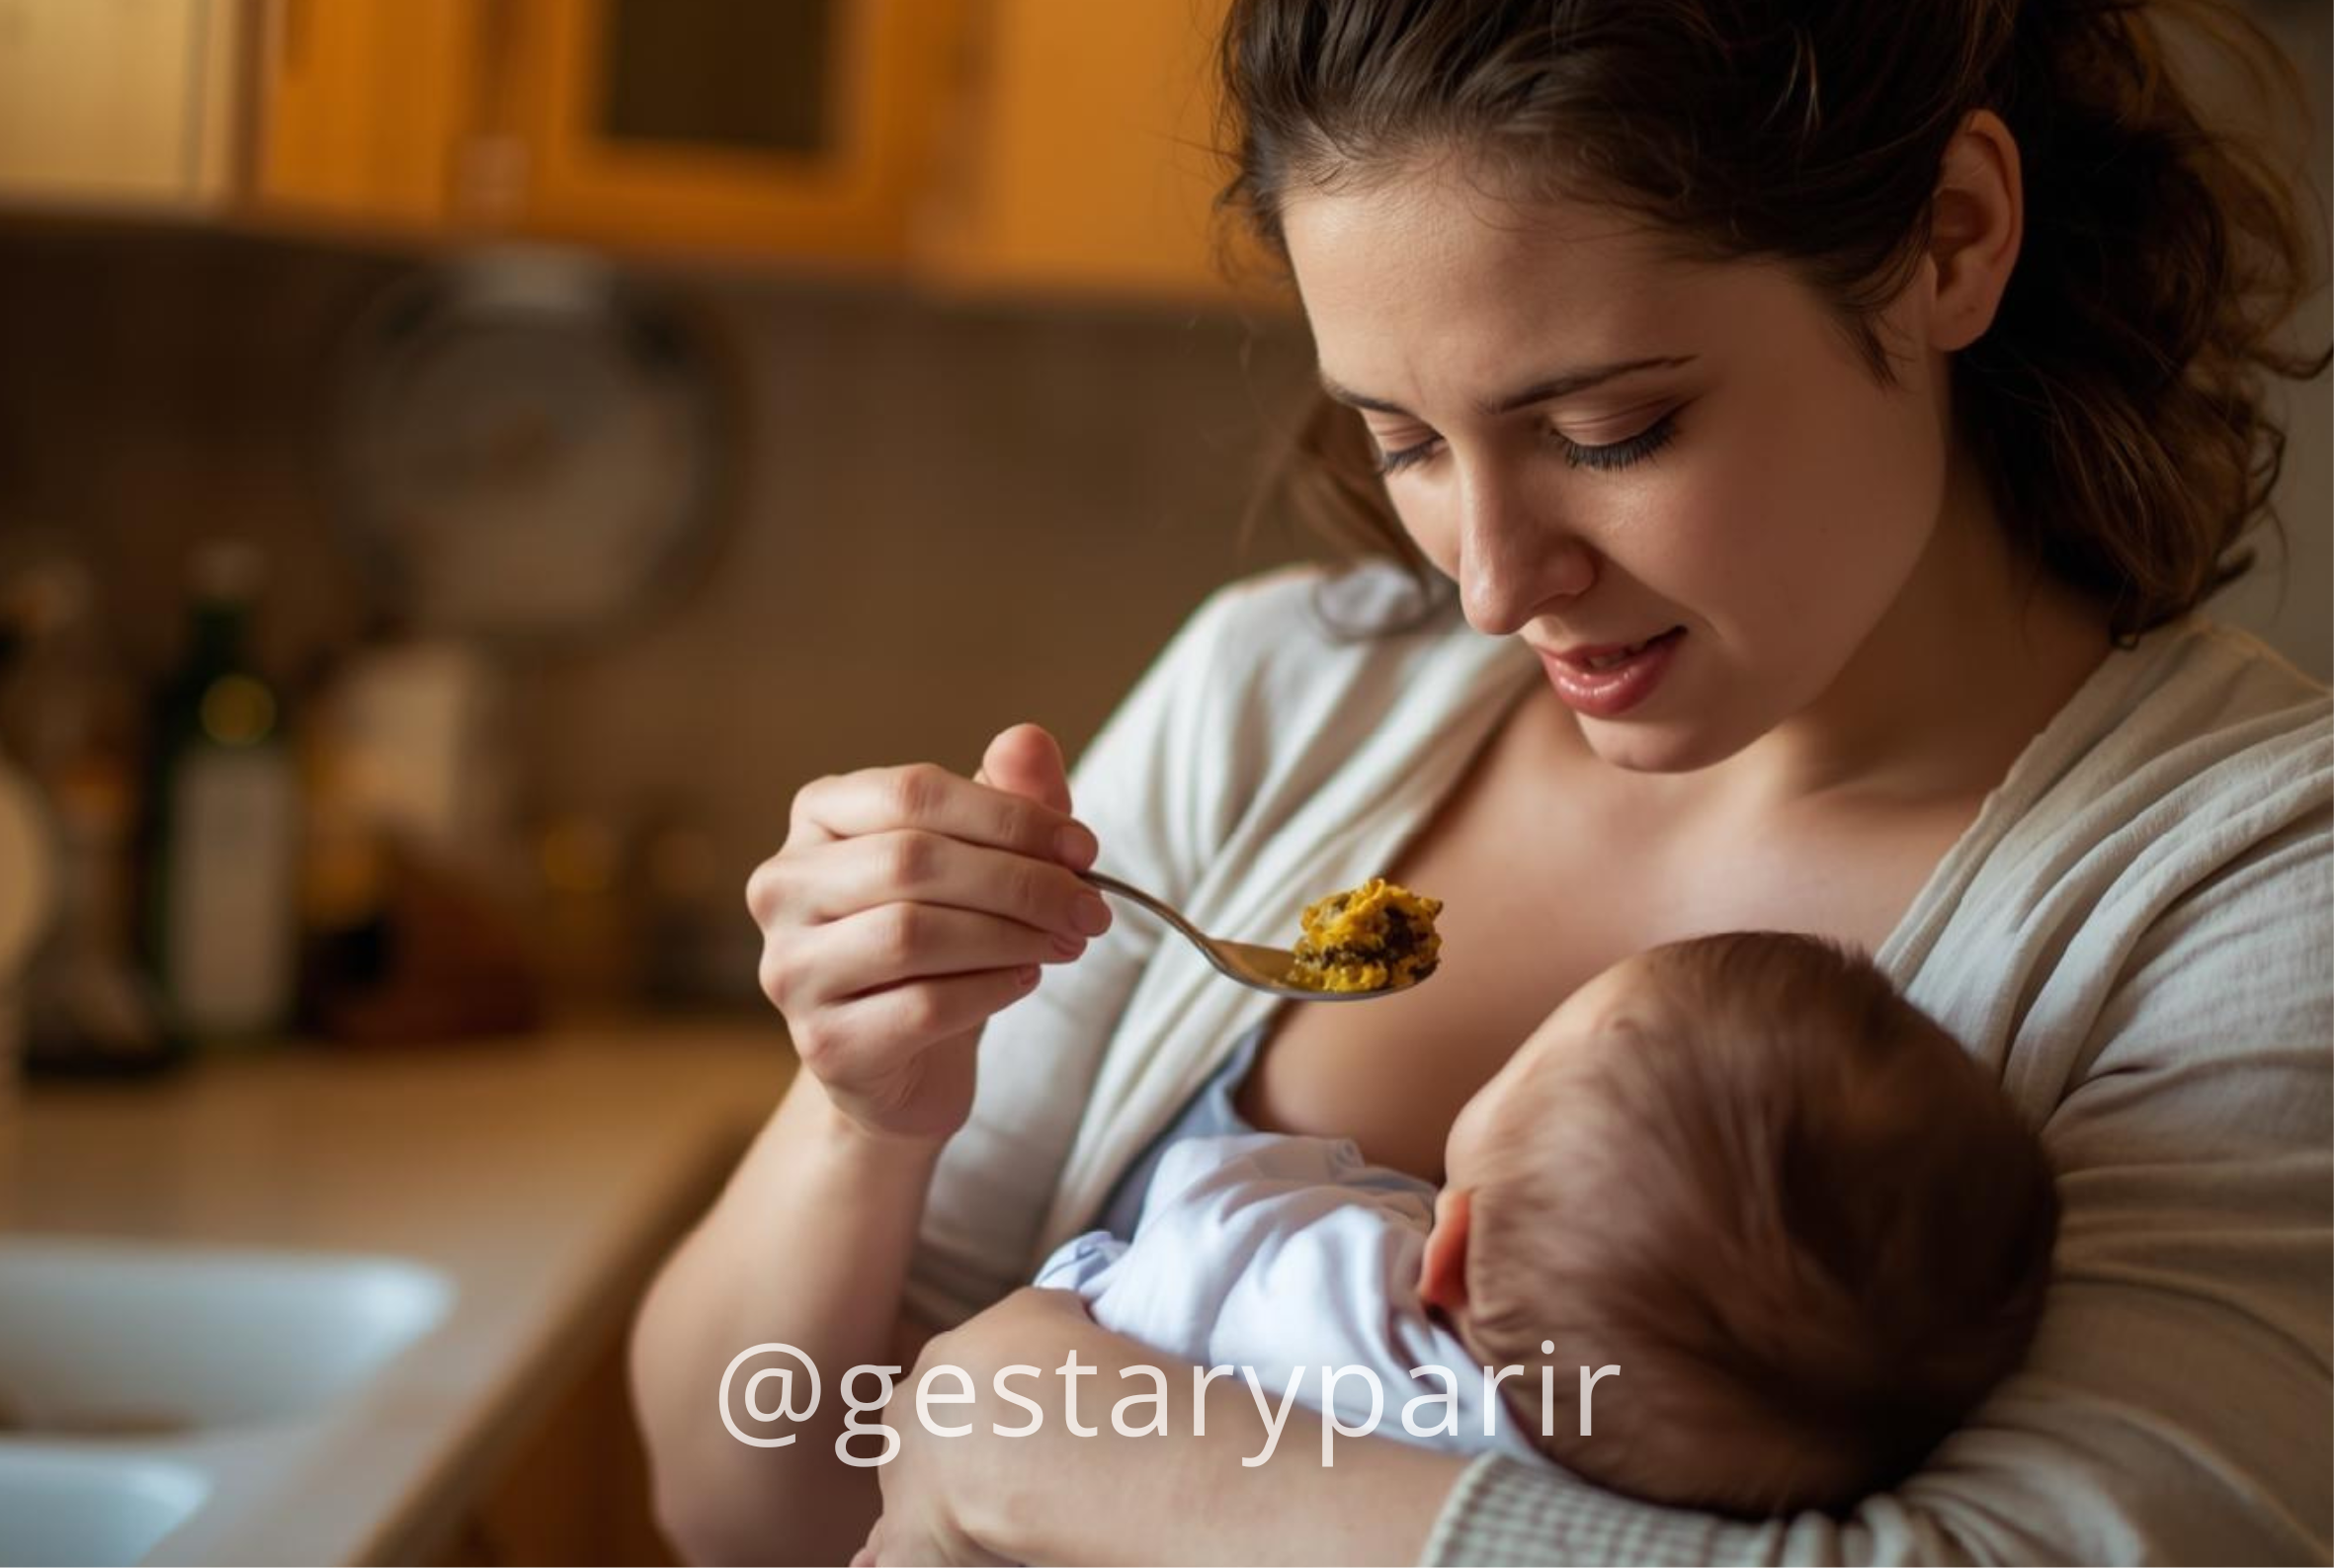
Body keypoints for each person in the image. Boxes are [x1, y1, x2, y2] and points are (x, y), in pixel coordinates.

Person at [629, 0, 2333, 1561]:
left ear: (1947, 239)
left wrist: (1048, 1443)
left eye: (1608, 432)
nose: (1494, 586)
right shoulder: (1277, 697)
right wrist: (864, 1116)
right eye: (1407, 444)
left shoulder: (2256, 867)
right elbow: (750, 1510)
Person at [1030, 932, 2060, 1517]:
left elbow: (1143, 1257)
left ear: (1449, 1253)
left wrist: (1347, 1185)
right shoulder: (1670, 1499)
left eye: (1525, 1060)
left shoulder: (1303, 1290)